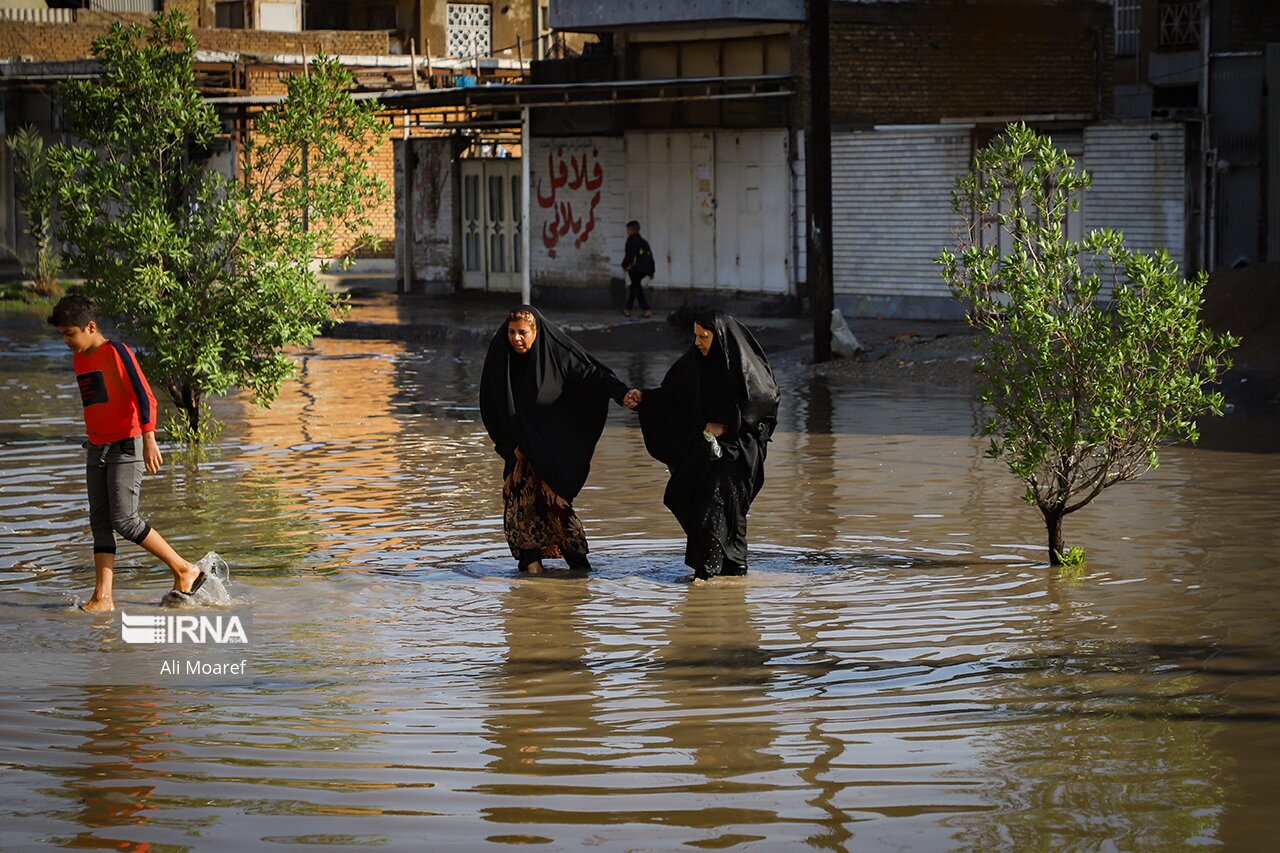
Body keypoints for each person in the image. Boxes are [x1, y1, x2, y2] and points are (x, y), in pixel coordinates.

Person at [48, 294, 207, 612]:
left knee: (125, 520)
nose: (66, 341)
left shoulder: (117, 352)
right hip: (97, 448)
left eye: (70, 334)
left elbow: (146, 396)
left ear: (90, 327)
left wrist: (149, 439)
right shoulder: (79, 360)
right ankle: (102, 598)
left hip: (127, 444)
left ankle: (184, 569)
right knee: (100, 522)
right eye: (62, 335)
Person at [480, 306, 640, 573]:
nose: (516, 339)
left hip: (550, 452)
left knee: (558, 513)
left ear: (536, 332)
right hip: (518, 455)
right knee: (520, 516)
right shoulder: (501, 360)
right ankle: (532, 581)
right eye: (511, 332)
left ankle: (581, 576)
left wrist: (621, 394)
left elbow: (593, 375)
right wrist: (509, 446)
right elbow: (490, 407)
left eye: (523, 333)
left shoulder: (557, 353)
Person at [629, 310, 779, 580]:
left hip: (738, 451)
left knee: (720, 505)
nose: (697, 341)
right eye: (695, 335)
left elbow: (764, 401)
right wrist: (645, 398)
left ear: (719, 337)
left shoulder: (744, 366)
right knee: (692, 498)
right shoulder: (694, 363)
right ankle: (729, 575)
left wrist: (727, 425)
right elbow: (673, 396)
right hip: (706, 450)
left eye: (703, 336)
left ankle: (707, 574)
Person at [621, 220, 655, 318]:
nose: (627, 232)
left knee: (637, 288)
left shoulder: (631, 240)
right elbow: (650, 256)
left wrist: (625, 266)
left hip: (634, 269)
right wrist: (652, 271)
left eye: (628, 229)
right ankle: (627, 309)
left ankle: (646, 309)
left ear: (632, 230)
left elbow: (629, 255)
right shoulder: (644, 242)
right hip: (645, 270)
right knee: (634, 287)